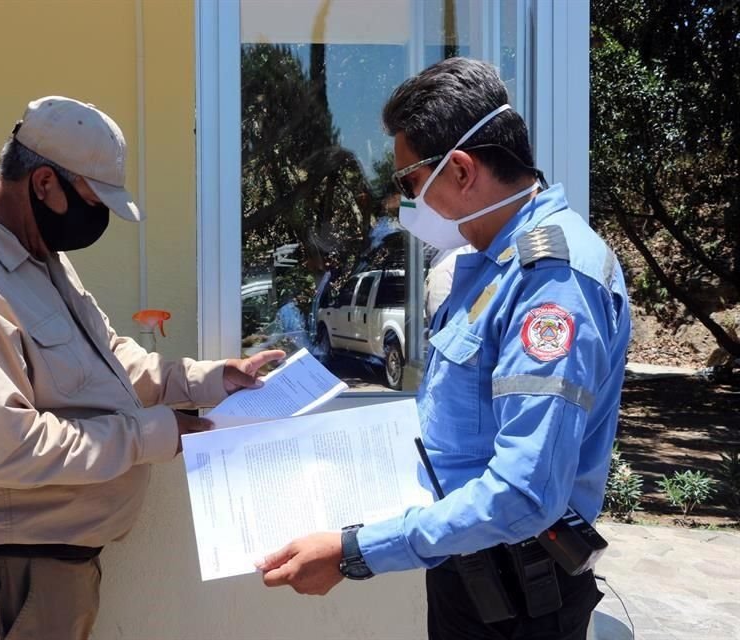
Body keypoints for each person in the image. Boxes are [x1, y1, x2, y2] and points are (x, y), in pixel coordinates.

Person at [0, 96, 282, 640]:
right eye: (96, 200)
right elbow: (5, 447)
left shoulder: (36, 253)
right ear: (45, 183)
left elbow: (107, 355)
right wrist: (152, 436)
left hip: (47, 572)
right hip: (3, 583)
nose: (101, 220)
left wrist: (204, 379)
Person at [257, 57, 631, 640]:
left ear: (459, 169)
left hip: (519, 603)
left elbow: (524, 494)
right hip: (471, 578)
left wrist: (355, 552)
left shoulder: (551, 284)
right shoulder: (484, 264)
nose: (404, 201)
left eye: (408, 181)